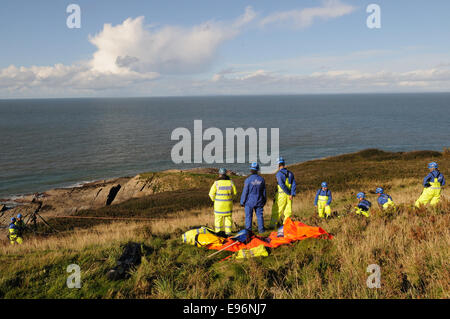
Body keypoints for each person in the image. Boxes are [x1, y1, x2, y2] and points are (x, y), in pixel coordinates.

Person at [209, 168, 237, 235]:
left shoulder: (216, 183)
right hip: (228, 205)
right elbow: (235, 193)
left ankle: (219, 234)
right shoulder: (230, 182)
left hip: (218, 205)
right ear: (226, 174)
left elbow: (211, 194)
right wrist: (231, 199)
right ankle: (228, 234)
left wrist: (214, 200)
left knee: (218, 220)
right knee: (228, 220)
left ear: (219, 174)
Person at [240, 162, 267, 234]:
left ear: (251, 170)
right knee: (259, 216)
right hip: (259, 200)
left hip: (249, 202)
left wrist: (242, 202)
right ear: (257, 169)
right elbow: (264, 191)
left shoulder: (248, 180)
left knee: (248, 217)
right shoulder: (262, 179)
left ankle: (248, 231)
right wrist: (264, 200)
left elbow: (245, 192)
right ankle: (261, 231)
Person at [270, 157, 296, 228]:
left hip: (281, 195)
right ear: (284, 164)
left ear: (278, 165)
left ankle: (272, 226)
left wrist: (288, 193)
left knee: (277, 210)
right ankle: (286, 225)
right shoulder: (290, 173)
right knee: (288, 211)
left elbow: (281, 185)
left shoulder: (279, 174)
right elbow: (294, 184)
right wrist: (292, 194)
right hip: (289, 196)